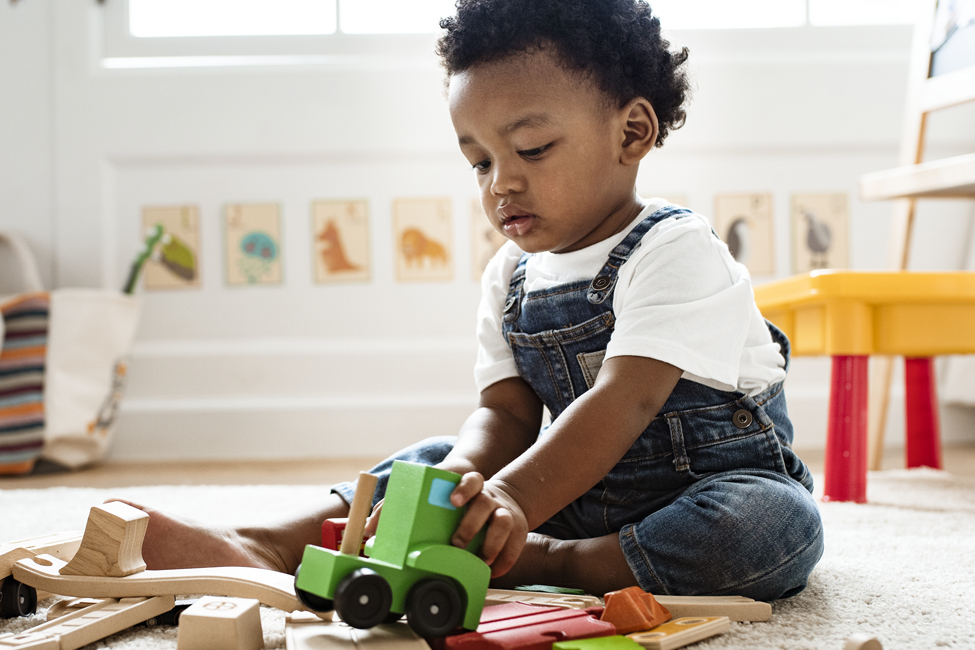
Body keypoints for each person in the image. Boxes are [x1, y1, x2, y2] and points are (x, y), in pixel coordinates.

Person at [128, 0, 824, 600]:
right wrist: (465, 480)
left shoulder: (675, 252)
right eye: (480, 161)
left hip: (698, 492)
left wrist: (513, 500)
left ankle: (553, 565)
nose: (500, 184)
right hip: (568, 492)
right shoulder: (510, 274)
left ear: (631, 133)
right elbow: (506, 414)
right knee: (433, 456)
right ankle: (272, 544)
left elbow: (625, 401)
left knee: (766, 527)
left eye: (532, 148)